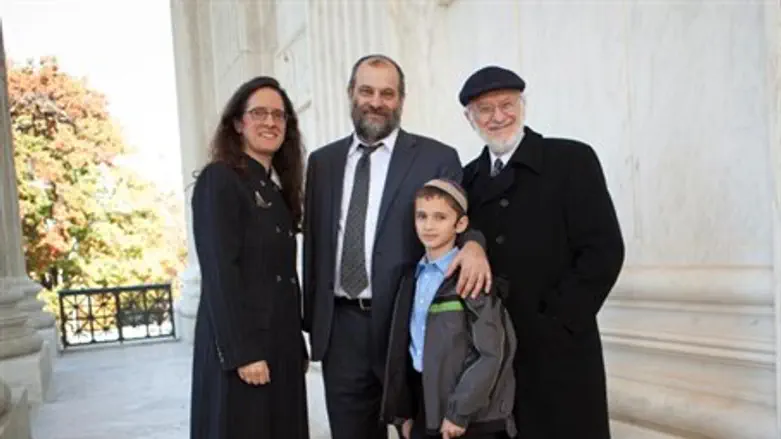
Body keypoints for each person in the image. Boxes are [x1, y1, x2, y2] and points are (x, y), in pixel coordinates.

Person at [302, 54, 492, 439]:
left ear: (401, 100)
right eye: (367, 91)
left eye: (388, 93)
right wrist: (312, 321)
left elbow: (458, 220)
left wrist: (474, 244)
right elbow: (314, 247)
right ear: (351, 94)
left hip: (409, 325)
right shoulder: (322, 163)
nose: (377, 101)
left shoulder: (437, 158)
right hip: (343, 329)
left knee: (420, 430)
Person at [457, 65, 626, 439]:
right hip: (495, 356)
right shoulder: (466, 181)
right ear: (470, 119)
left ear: (523, 105)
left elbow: (603, 251)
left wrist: (558, 322)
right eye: (485, 109)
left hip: (560, 352)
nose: (498, 116)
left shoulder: (571, 160)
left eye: (507, 104)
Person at [189, 76, 309, 439]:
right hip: (244, 350)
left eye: (279, 115)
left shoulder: (275, 189)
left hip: (280, 346)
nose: (270, 122)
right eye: (258, 113)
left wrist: (295, 344)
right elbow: (220, 271)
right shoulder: (220, 180)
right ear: (238, 123)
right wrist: (242, 352)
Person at [380, 179, 518, 439]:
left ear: (460, 224)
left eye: (440, 217)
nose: (429, 225)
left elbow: (491, 353)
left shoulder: (471, 278)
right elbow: (405, 350)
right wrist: (404, 413)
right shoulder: (411, 279)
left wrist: (459, 412)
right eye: (422, 216)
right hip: (425, 410)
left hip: (466, 417)